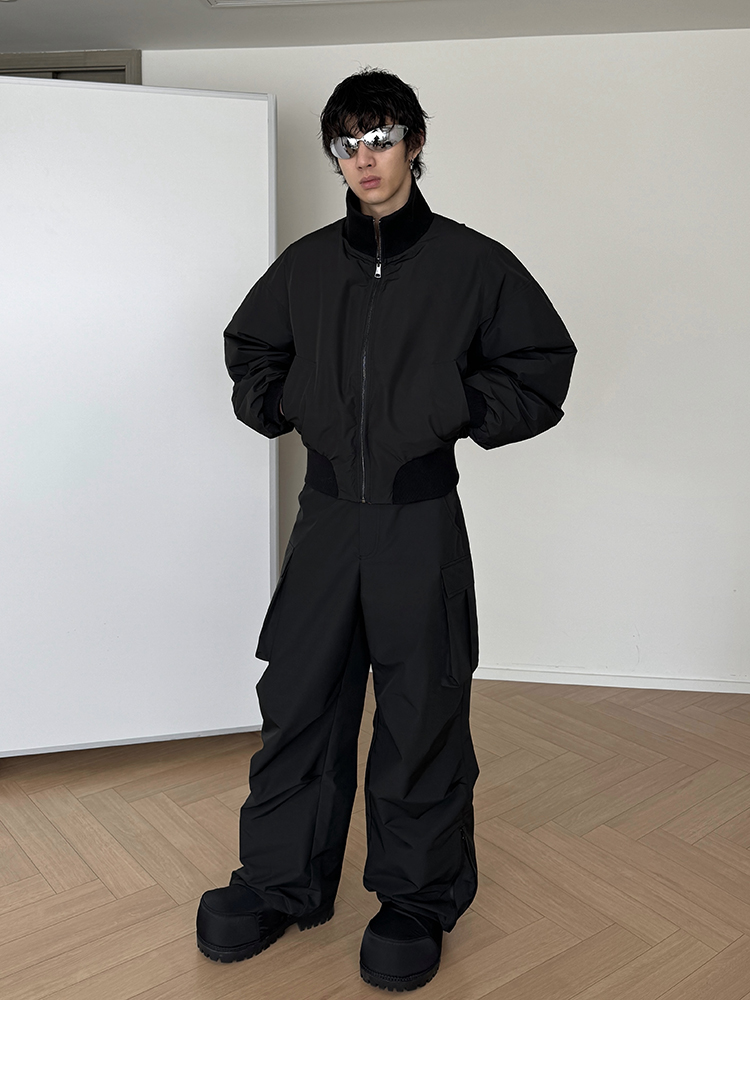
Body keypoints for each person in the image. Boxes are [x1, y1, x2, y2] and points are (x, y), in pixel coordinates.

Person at [196, 67, 576, 993]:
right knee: (299, 701)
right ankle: (281, 882)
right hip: (327, 520)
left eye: (380, 138)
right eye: (346, 144)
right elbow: (251, 351)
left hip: (419, 520)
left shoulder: (472, 264)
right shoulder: (305, 266)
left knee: (421, 711)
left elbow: (540, 366)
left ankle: (415, 896)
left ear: (414, 143)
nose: (363, 159)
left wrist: (452, 406)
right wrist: (287, 401)